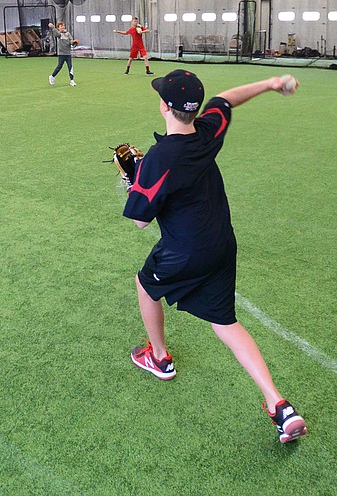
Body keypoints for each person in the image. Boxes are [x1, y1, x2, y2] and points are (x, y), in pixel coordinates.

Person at [122, 68, 308, 445]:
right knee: (224, 323)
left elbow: (141, 220)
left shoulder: (160, 156)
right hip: (221, 244)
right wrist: (272, 84)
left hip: (185, 250)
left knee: (145, 285)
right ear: (193, 109)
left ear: (163, 107)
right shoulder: (207, 132)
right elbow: (227, 99)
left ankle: (159, 358)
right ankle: (279, 405)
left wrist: (134, 182)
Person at [48, 21, 77, 87]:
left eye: (63, 25)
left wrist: (74, 42)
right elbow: (57, 34)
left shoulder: (68, 34)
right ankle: (52, 76)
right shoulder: (59, 34)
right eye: (61, 26)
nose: (63, 27)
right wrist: (53, 27)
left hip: (68, 53)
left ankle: (72, 80)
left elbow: (71, 41)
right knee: (59, 66)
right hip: (61, 53)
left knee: (70, 66)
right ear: (58, 28)